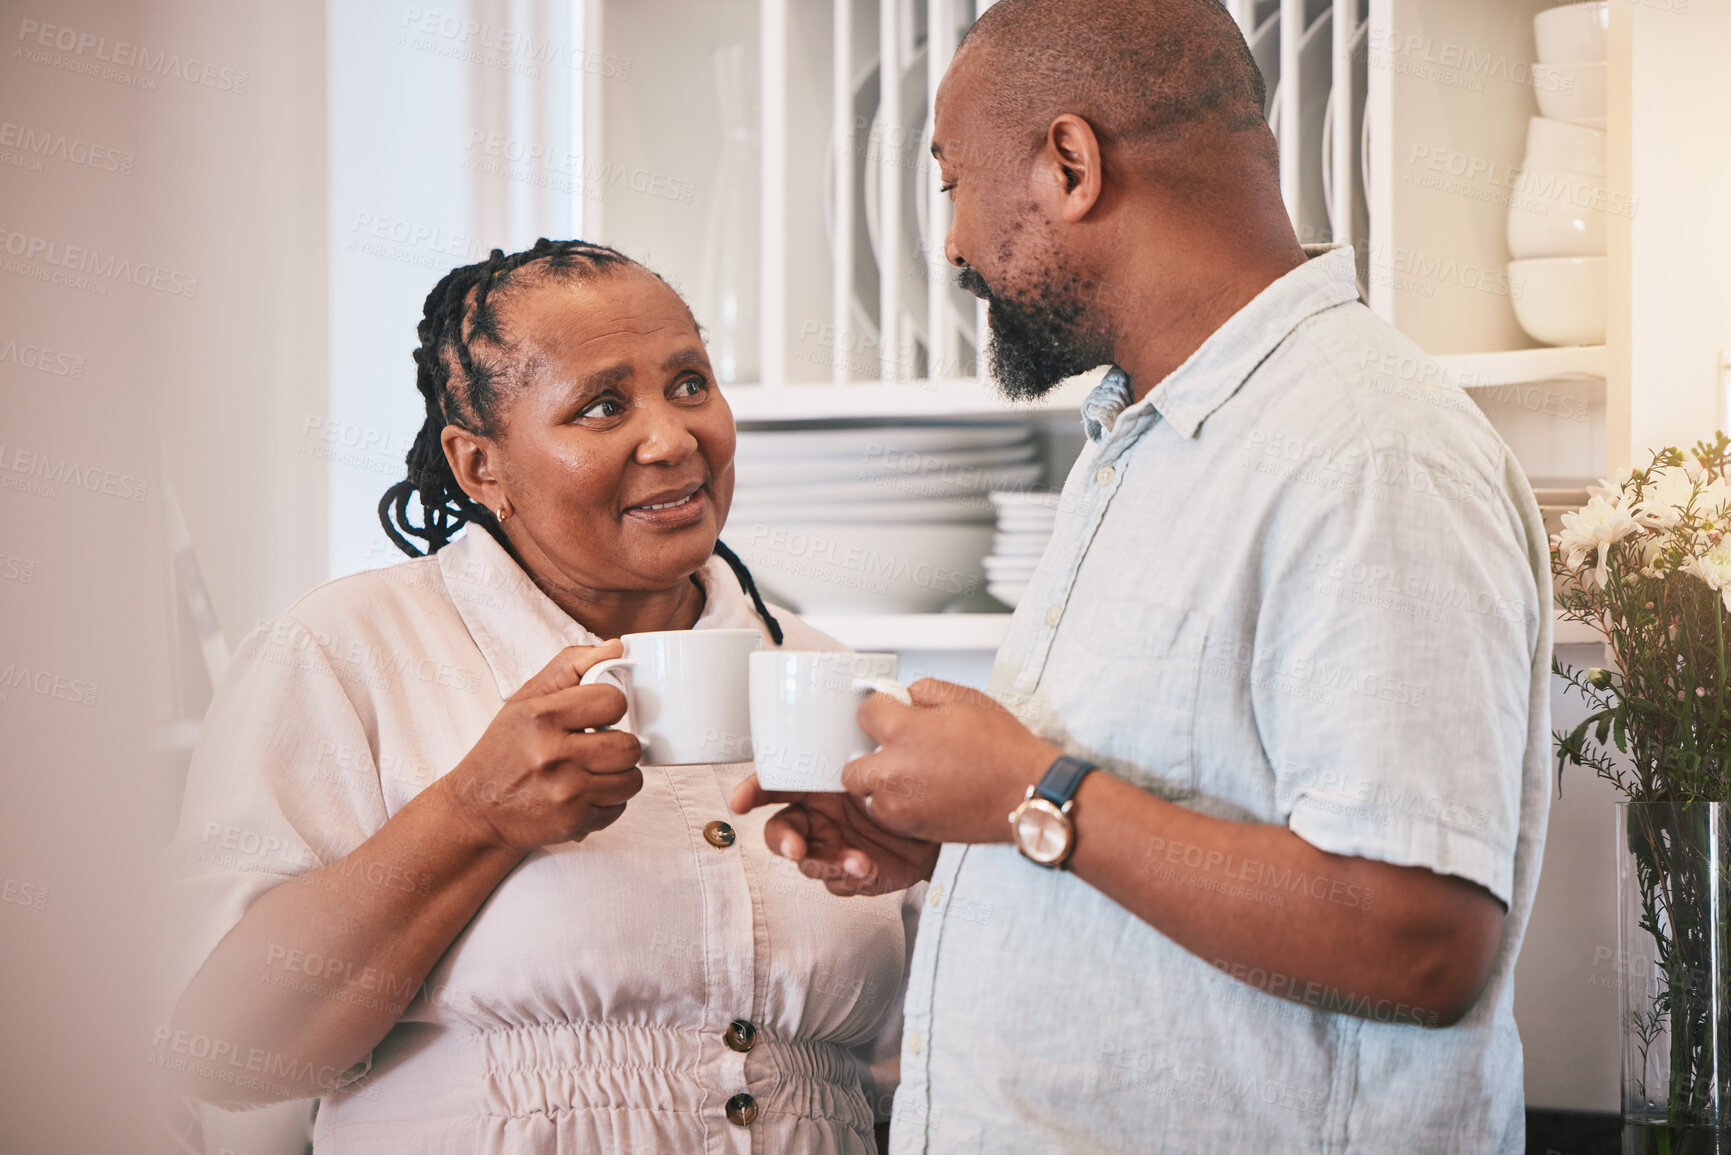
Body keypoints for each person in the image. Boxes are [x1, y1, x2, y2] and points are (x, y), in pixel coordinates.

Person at [733, 1, 1552, 1151]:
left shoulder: (1367, 451)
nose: (956, 244)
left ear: (1071, 164)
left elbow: (1416, 941)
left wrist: (1033, 796)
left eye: (952, 182)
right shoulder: (1150, 441)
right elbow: (1176, 834)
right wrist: (983, 832)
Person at [160, 239, 913, 1154]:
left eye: (688, 384)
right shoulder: (344, 652)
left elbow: (907, 1067)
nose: (674, 438)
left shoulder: (817, 668)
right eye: (602, 405)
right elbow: (227, 1052)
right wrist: (473, 814)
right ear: (481, 467)